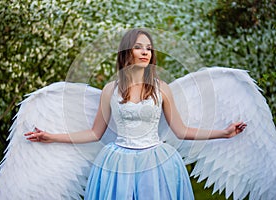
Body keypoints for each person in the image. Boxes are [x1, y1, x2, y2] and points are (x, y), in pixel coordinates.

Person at [24, 29, 246, 199]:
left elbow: (181, 130)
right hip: (117, 163)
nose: (145, 52)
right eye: (139, 47)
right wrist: (51, 136)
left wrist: (223, 133)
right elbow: (94, 133)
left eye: (148, 48)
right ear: (127, 51)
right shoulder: (110, 90)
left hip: (157, 162)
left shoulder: (162, 88)